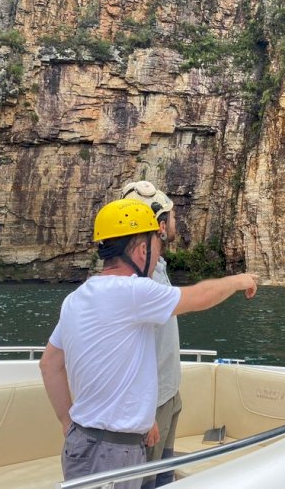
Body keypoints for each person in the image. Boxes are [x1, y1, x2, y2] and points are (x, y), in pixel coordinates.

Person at [40, 198, 257, 489]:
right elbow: (200, 297)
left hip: (80, 444)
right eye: (157, 245)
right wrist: (239, 280)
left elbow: (50, 364)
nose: (157, 255)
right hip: (114, 456)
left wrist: (69, 424)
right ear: (142, 250)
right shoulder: (134, 292)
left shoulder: (76, 298)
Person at [121, 181, 180, 488]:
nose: (175, 221)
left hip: (169, 394)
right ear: (158, 225)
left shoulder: (156, 270)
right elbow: (128, 355)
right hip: (153, 406)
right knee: (147, 481)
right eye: (171, 216)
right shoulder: (141, 284)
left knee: (165, 476)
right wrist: (146, 415)